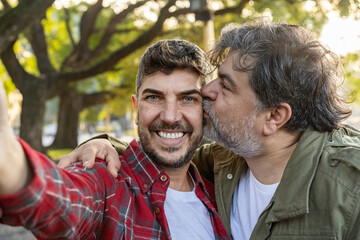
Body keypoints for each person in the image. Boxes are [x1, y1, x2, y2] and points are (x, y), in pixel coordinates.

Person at [60, 19, 360, 239]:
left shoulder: (349, 189)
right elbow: (162, 154)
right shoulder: (219, 163)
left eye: (226, 85)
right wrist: (102, 144)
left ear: (274, 116)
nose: (207, 91)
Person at [0, 39, 230, 239]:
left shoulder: (221, 190)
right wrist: (9, 161)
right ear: (135, 108)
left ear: (205, 112)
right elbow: (65, 202)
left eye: (188, 99)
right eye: (154, 97)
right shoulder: (108, 181)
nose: (170, 116)